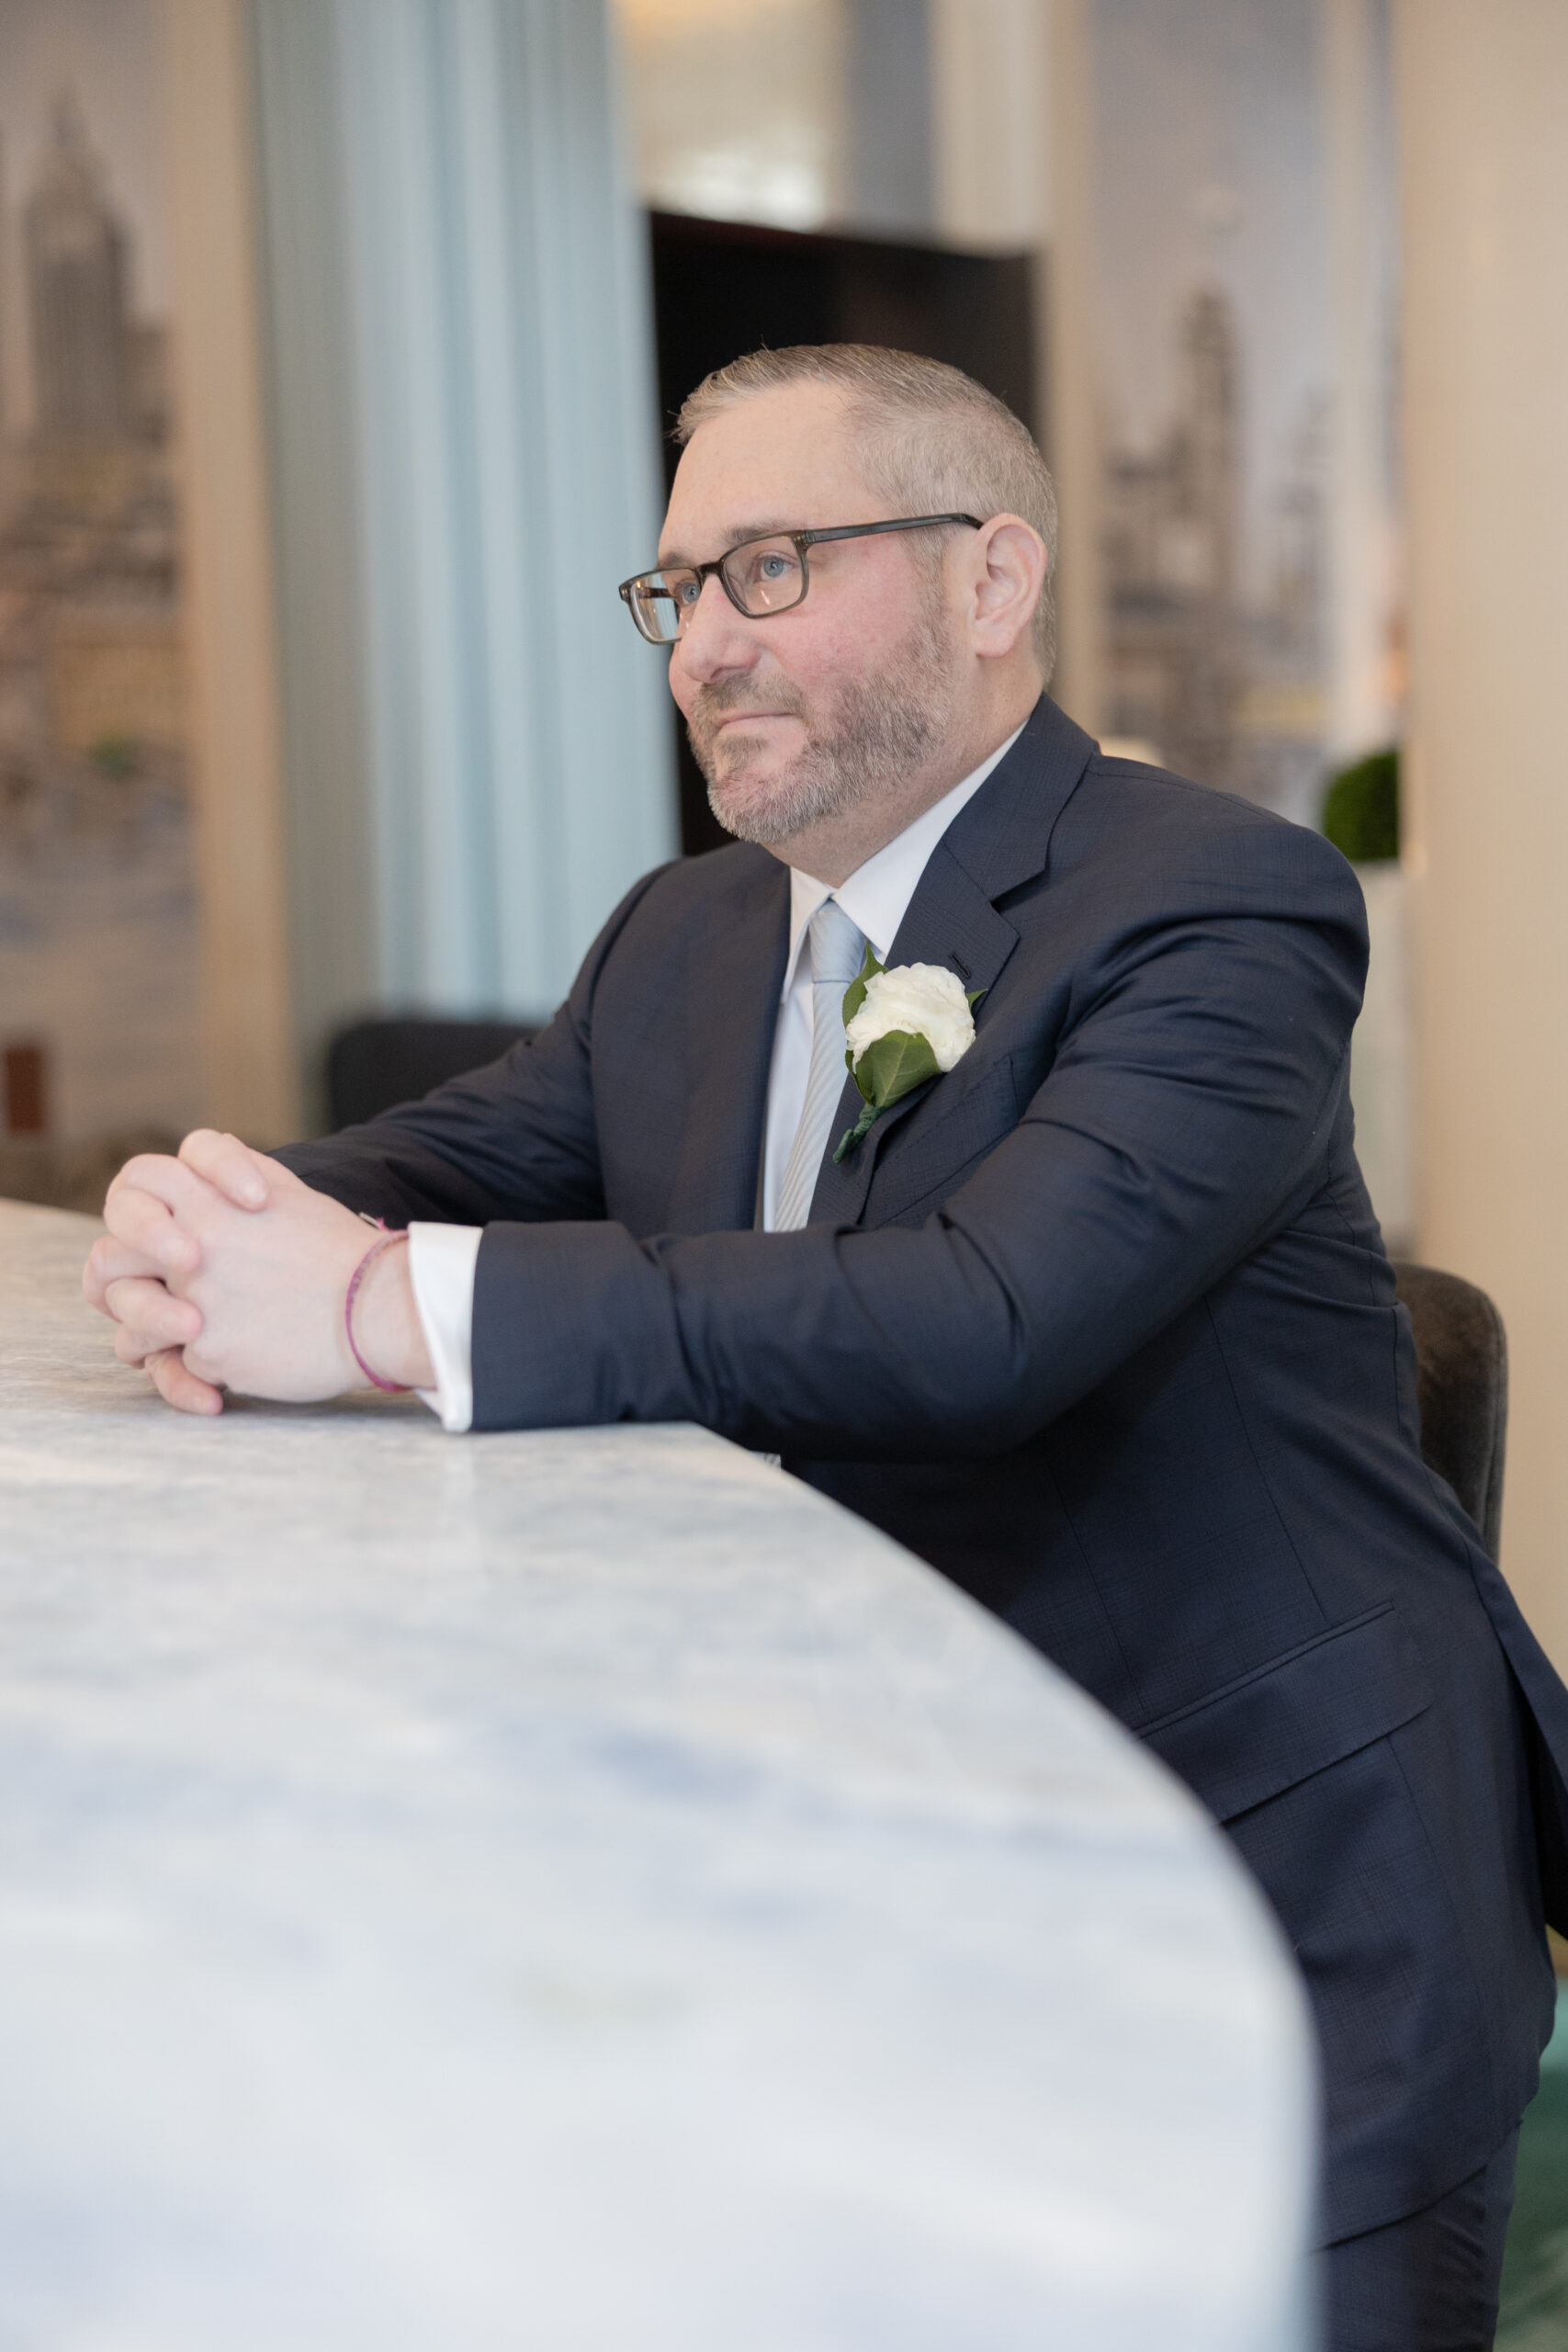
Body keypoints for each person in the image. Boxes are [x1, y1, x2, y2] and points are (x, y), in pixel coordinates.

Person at [85, 344, 1568, 2349]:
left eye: (769, 568)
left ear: (991, 580)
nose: (699, 644)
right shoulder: (686, 935)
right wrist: (213, 1208)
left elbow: (984, 1316)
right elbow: (441, 1152)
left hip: (1266, 1854)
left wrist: (366, 1306)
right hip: (876, 1827)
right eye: (674, 587)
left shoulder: (1213, 899)